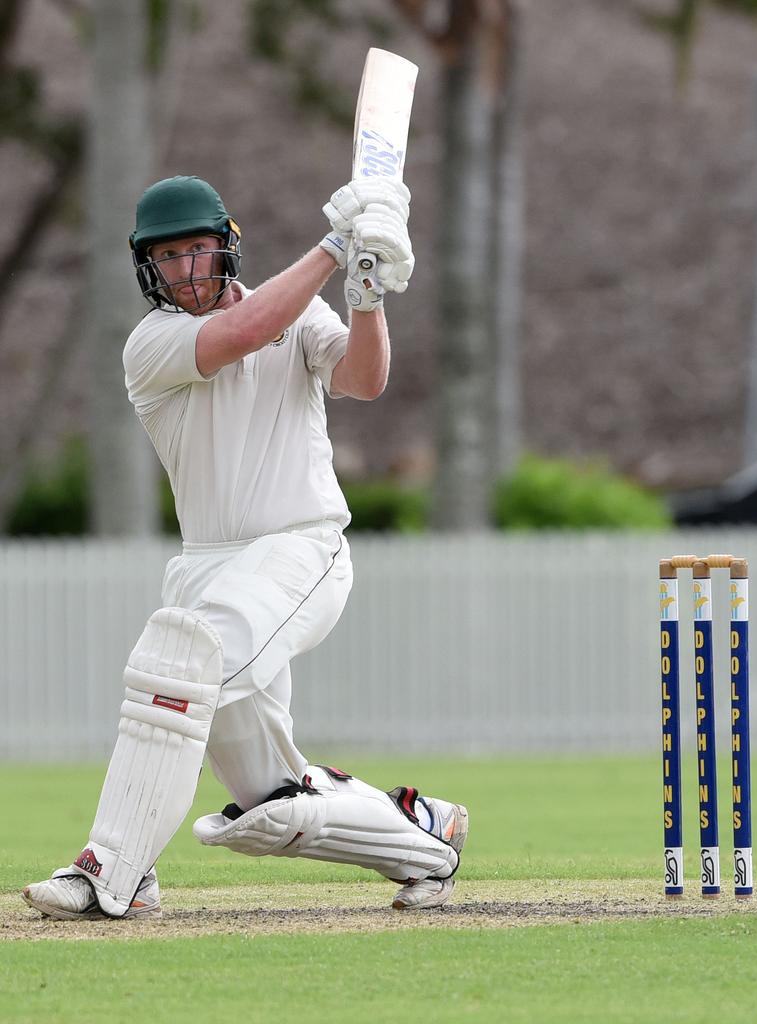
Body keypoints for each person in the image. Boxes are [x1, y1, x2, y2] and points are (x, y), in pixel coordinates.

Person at [22, 173, 468, 921]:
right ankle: (429, 839)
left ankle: (115, 870)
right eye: (169, 258)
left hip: (300, 548)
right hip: (205, 566)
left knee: (178, 663)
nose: (186, 270)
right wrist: (335, 246)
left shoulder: (298, 314)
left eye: (197, 249)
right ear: (148, 269)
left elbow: (364, 379)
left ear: (227, 246)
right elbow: (242, 333)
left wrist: (367, 293)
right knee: (271, 802)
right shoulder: (153, 343)